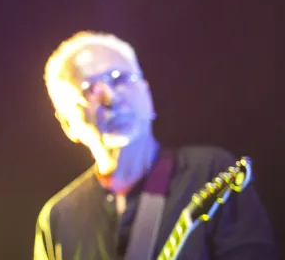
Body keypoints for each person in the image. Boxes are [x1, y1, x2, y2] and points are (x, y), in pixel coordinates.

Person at [33, 30, 277, 259]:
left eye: (120, 79)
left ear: (147, 95)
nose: (111, 97)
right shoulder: (58, 218)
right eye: (90, 89)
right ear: (67, 123)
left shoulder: (211, 172)